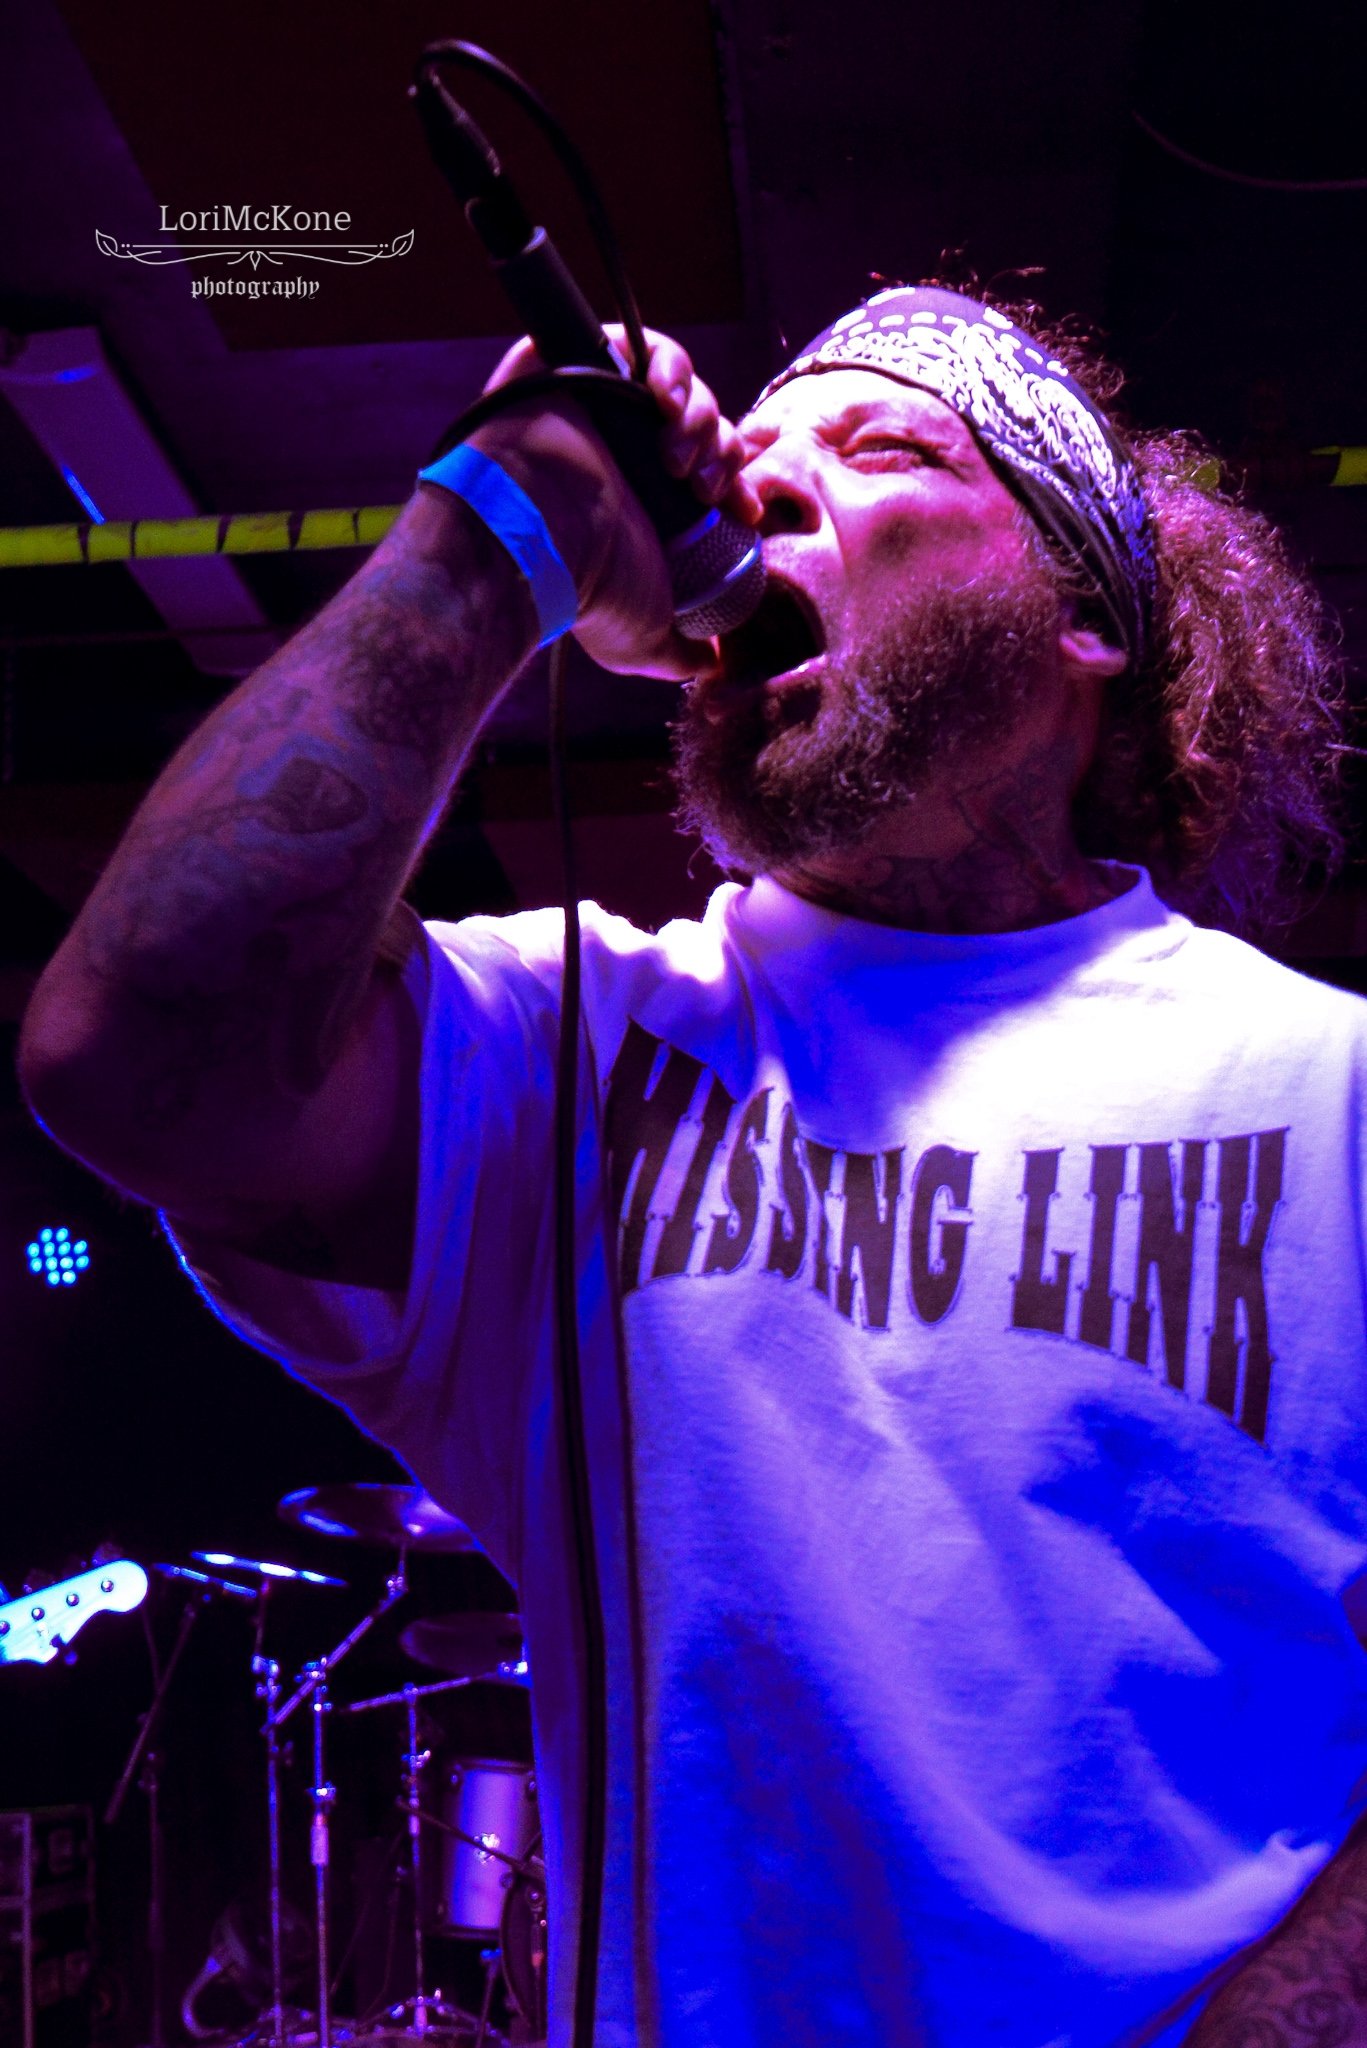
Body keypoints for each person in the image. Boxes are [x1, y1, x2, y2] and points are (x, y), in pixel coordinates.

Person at [18, 281, 1367, 2048]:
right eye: (753, 457)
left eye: (880, 448)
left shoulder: (1333, 1095)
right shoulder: (568, 1046)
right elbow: (131, 1054)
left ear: (1088, 615)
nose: (766, 485)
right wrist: (508, 524)